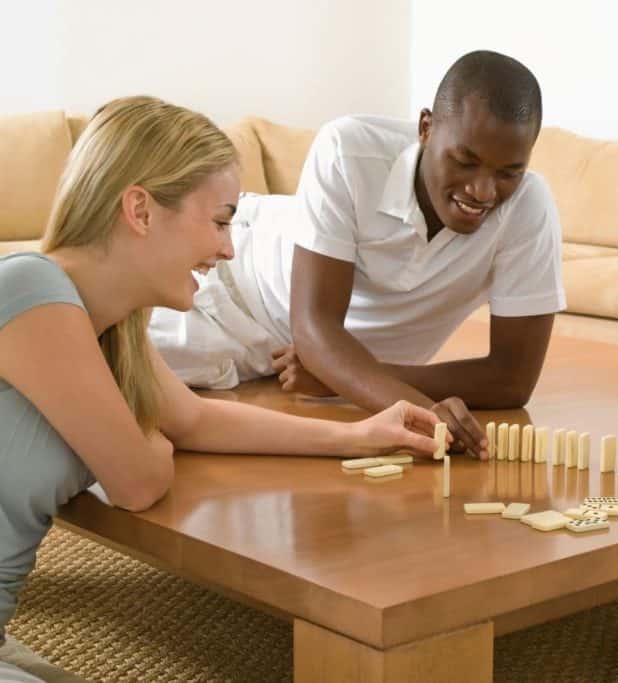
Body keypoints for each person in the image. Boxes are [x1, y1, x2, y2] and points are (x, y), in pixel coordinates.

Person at [0, 96, 443, 683]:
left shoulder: (108, 330)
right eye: (218, 221)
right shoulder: (32, 293)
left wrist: (359, 435)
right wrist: (144, 441)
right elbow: (138, 481)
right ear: (140, 210)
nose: (229, 249)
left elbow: (198, 422)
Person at [149, 50, 566, 460]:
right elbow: (313, 327)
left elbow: (513, 379)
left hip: (310, 368)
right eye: (464, 161)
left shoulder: (529, 208)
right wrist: (413, 407)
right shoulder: (349, 149)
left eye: (509, 172)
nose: (483, 191)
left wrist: (340, 378)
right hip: (225, 289)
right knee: (112, 375)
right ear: (426, 127)